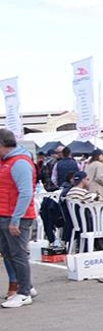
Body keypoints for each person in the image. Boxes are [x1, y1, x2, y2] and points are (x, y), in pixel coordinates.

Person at [0, 129, 37, 309]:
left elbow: (26, 193)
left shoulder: (19, 163)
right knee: (10, 254)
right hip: (8, 214)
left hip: (15, 217)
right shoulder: (10, 161)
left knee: (18, 254)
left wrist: (16, 219)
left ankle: (23, 292)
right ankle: (26, 287)